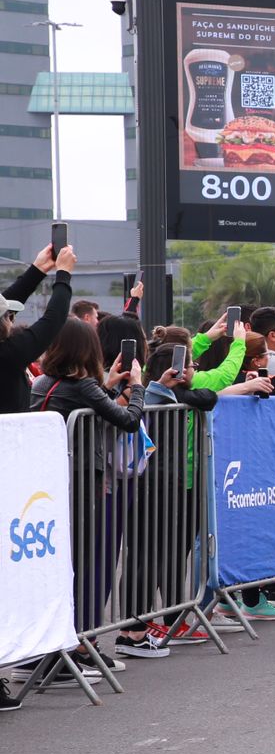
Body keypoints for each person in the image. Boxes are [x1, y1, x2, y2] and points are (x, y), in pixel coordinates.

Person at [31, 317, 157, 663]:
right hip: (85, 484)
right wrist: (138, 387)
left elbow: (91, 402)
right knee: (85, 564)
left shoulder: (42, 382)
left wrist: (110, 384)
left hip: (46, 483)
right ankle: (77, 644)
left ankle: (49, 648)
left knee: (52, 564)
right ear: (88, 350)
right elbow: (129, 420)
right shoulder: (83, 385)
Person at [2, 243, 75, 414]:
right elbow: (53, 319)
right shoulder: (9, 353)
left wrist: (38, 269)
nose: (12, 320)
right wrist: (63, 275)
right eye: (9, 316)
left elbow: (4, 303)